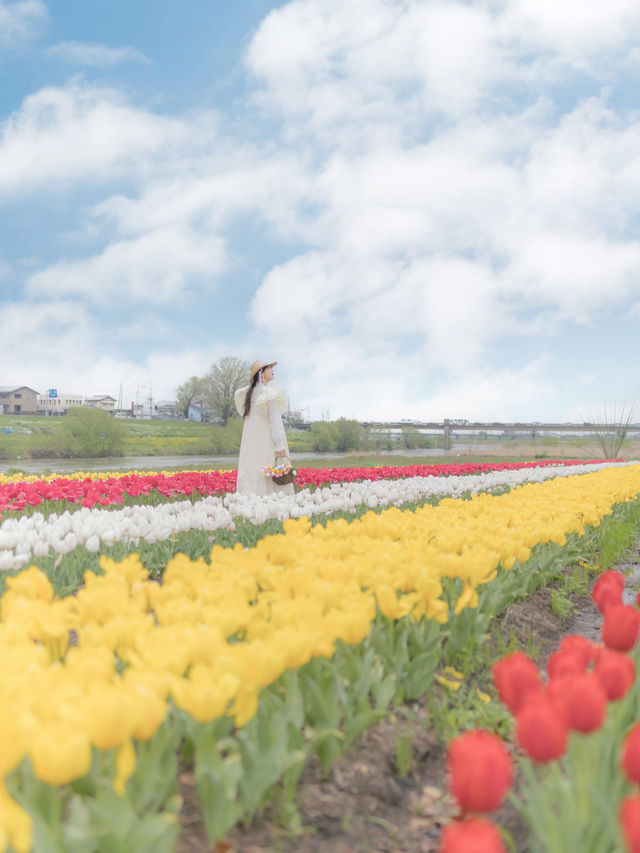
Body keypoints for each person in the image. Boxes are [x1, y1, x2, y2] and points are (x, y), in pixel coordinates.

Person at [234, 359, 294, 495]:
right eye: (269, 368)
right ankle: (271, 500)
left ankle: (249, 498)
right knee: (268, 465)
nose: (272, 370)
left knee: (253, 468)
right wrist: (279, 446)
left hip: (251, 443)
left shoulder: (248, 395)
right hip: (267, 441)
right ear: (261, 373)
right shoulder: (269, 393)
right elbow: (275, 421)